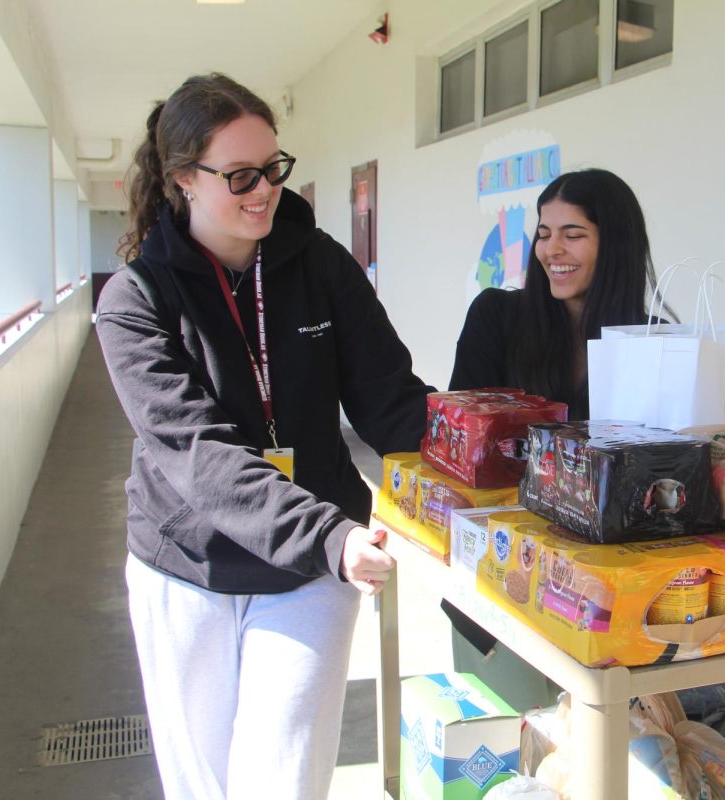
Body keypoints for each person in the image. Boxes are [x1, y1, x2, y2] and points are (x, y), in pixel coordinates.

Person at [95, 73, 431, 800]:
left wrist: (496, 449)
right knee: (204, 785)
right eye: (240, 176)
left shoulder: (322, 266)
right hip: (188, 567)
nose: (264, 192)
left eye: (273, 170)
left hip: (307, 571)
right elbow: (197, 455)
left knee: (282, 781)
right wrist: (330, 537)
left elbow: (390, 402)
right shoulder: (134, 300)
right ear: (184, 178)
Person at [444, 167, 671, 709]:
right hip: (501, 581)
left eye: (573, 233)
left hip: (604, 597)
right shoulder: (496, 317)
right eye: (544, 233)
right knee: (514, 756)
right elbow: (460, 446)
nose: (552, 250)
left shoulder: (653, 343)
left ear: (613, 244)